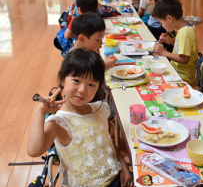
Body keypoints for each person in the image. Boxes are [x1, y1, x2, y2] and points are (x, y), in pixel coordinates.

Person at [27, 49, 133, 187]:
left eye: (91, 84)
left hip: (117, 176)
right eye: (76, 80)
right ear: (62, 80)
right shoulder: (60, 122)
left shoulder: (99, 109)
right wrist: (40, 111)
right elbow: (33, 150)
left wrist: (124, 167)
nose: (83, 89)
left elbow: (107, 144)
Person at [152, 0, 198, 85]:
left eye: (161, 22)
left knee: (154, 80)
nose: (162, 25)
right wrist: (172, 41)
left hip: (183, 76)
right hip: (177, 70)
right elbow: (185, 47)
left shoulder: (185, 33)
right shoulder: (186, 27)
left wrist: (163, 52)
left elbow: (185, 59)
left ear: (169, 18)